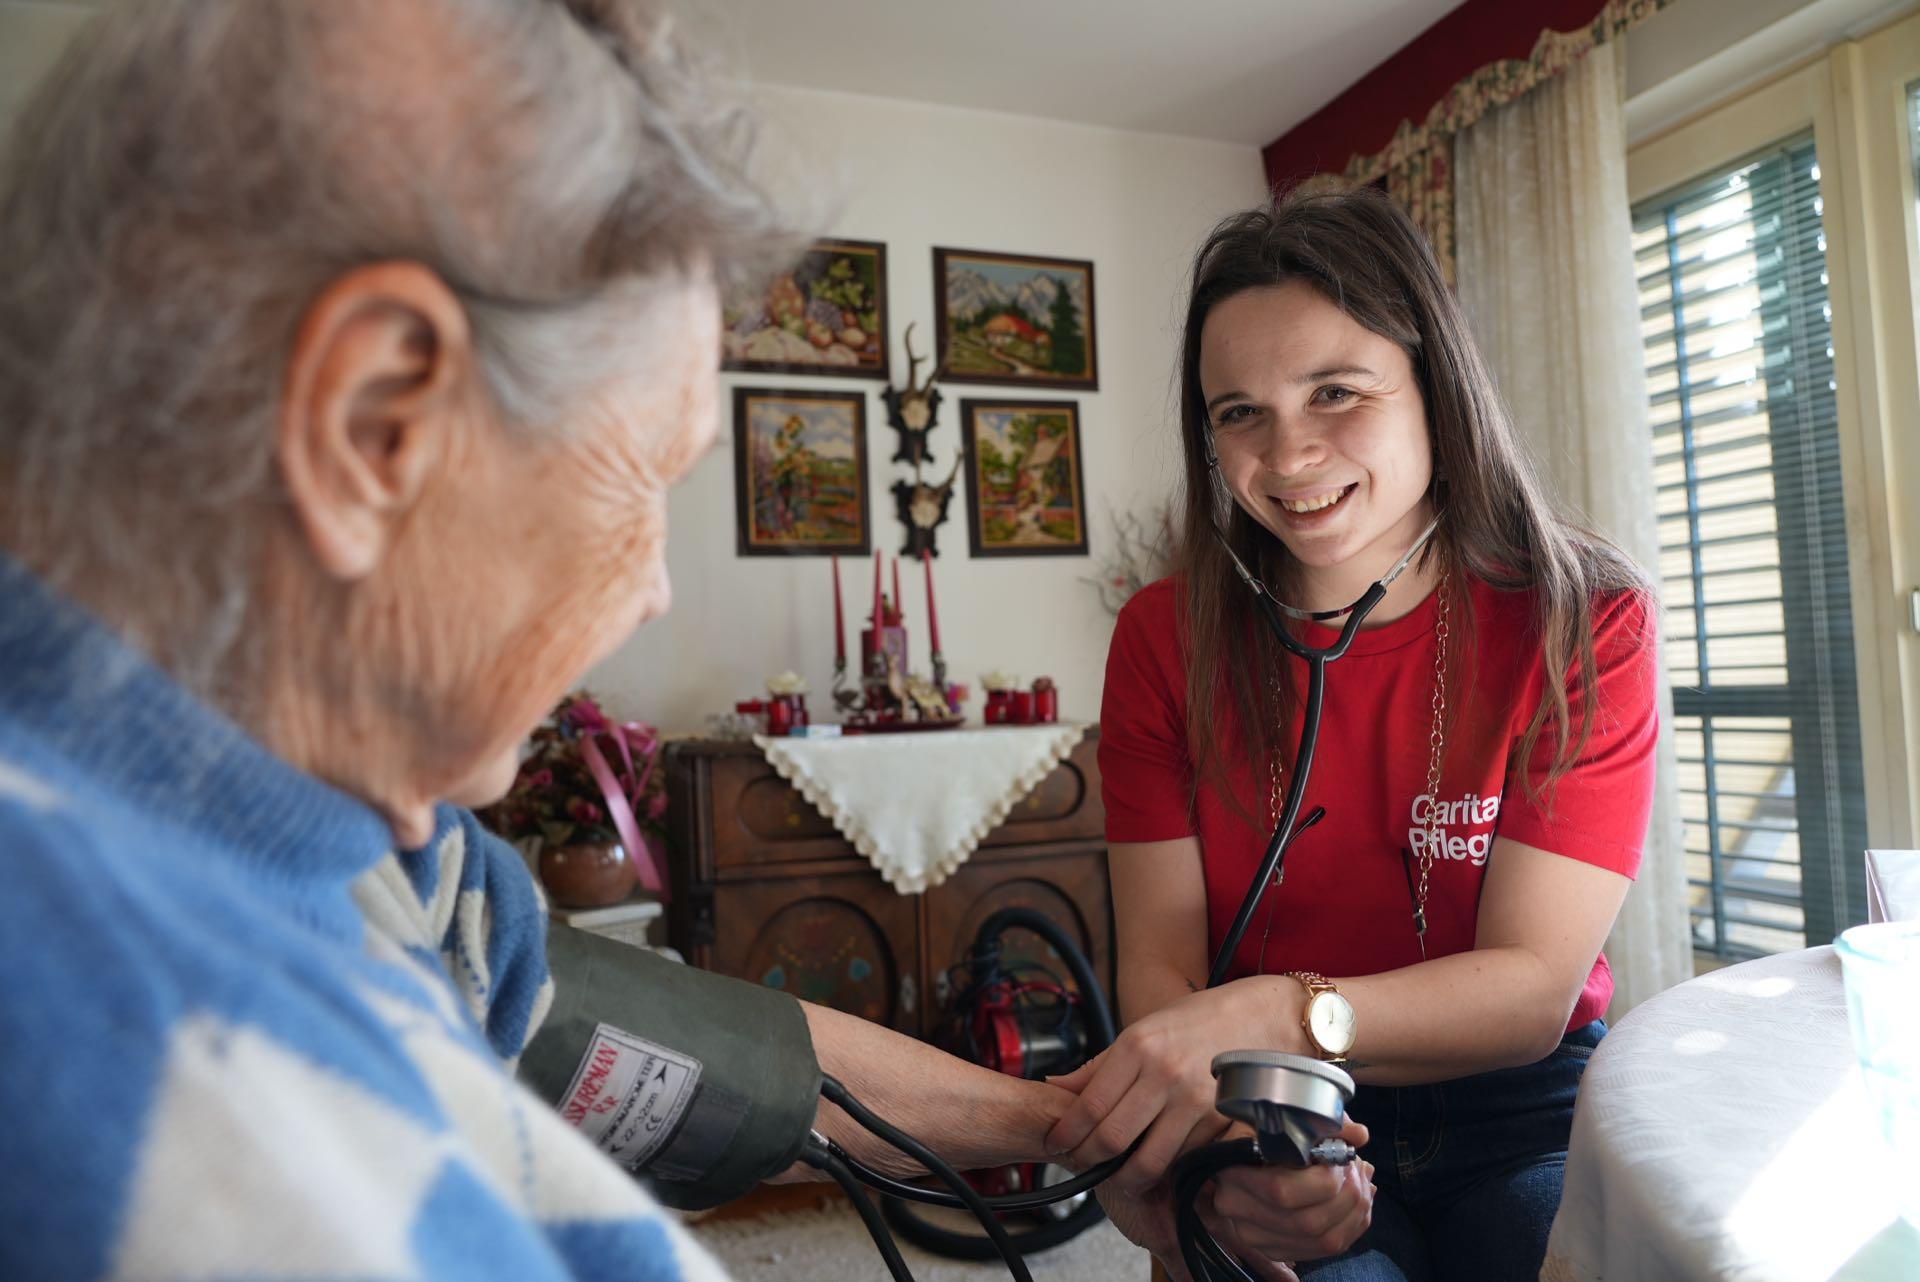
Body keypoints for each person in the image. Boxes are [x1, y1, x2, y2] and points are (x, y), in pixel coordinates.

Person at [0, 2, 1349, 1278]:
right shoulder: (135, 1076)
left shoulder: (332, 824)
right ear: (370, 427)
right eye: (648, 470)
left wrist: (1082, 1131)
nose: (653, 586)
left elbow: (690, 1039)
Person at [1047, 188, 1661, 1282]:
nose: (1286, 457)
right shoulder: (1161, 638)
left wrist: (1283, 1009)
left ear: (1437, 389)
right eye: (1238, 412)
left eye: (1335, 392)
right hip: (1270, 1102)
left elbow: (1529, 995)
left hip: (1520, 1107)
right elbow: (1159, 965)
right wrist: (1230, 1143)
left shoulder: (1583, 618)